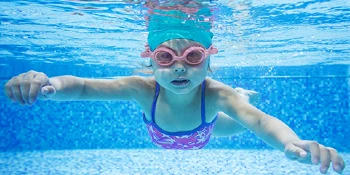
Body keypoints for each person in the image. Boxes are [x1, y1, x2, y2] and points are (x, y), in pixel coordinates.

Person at [4, 3, 345, 175]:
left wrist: (289, 141)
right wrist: (49, 82)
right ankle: (241, 96)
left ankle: (241, 94)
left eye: (193, 56)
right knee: (234, 113)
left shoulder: (214, 93)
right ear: (151, 63)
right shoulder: (141, 88)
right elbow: (81, 88)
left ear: (209, 63)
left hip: (207, 128)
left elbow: (259, 122)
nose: (179, 66)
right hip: (163, 129)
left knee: (238, 115)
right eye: (166, 57)